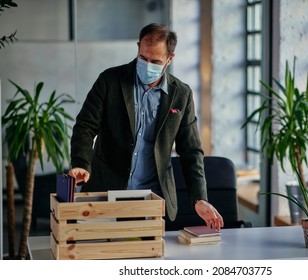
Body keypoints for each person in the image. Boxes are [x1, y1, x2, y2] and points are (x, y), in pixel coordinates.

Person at [68, 23, 223, 230]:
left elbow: (191, 151)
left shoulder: (181, 95)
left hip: (152, 198)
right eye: (143, 58)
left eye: (155, 61)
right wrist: (81, 162)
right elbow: (85, 126)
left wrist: (199, 198)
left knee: (146, 256)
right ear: (138, 47)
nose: (148, 65)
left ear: (170, 59)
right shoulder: (110, 81)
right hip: (106, 190)